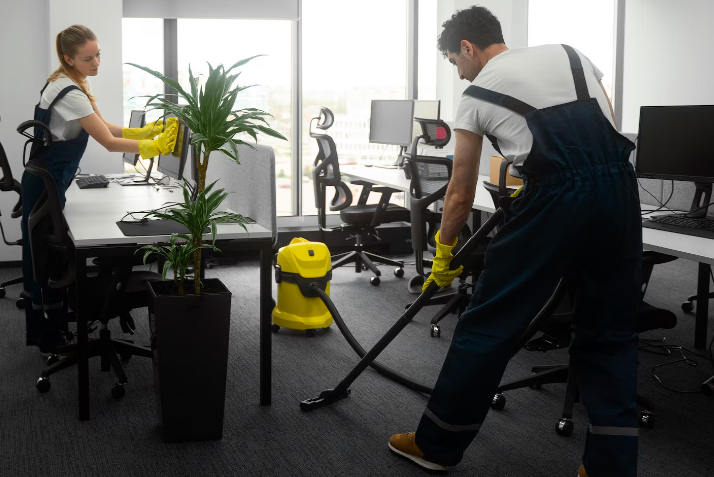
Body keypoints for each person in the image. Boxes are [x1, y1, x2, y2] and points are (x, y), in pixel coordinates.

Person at [388, 6, 640, 477]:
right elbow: (605, 127)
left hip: (554, 202)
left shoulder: (475, 96)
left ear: (467, 47)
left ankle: (436, 445)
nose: (458, 73)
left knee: (489, 322)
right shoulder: (572, 54)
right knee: (610, 329)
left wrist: (443, 252)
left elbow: (460, 193)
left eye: (454, 62)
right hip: (619, 191)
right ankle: (609, 466)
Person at [22, 24, 178, 355]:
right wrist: (152, 147)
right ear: (69, 58)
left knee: (49, 255)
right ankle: (52, 338)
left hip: (49, 178)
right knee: (47, 259)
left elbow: (102, 125)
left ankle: (56, 330)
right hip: (46, 184)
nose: (96, 63)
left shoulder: (69, 80)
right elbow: (106, 141)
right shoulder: (70, 92)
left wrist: (142, 132)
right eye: (88, 58)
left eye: (98, 55)